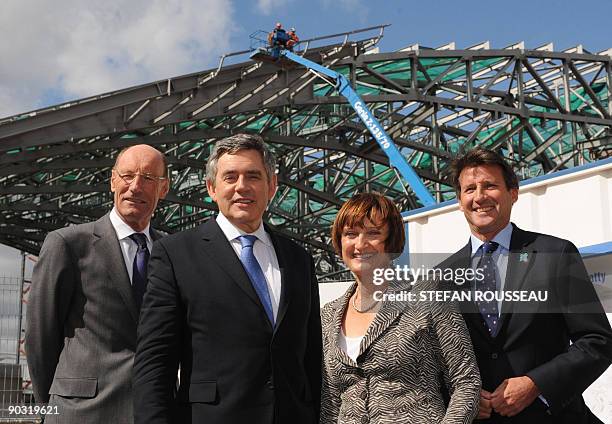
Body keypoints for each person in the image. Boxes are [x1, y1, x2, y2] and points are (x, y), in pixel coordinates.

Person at [133, 133, 322, 424]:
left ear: (272, 186)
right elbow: (156, 363)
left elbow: (310, 359)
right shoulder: (175, 254)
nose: (241, 187)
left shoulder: (299, 260)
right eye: (230, 177)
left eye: (253, 176)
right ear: (211, 187)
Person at [439, 147, 612, 423]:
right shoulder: (440, 277)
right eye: (469, 189)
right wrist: (459, 397)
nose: (479, 197)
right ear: (460, 200)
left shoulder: (555, 254)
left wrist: (537, 384)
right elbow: (431, 362)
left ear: (513, 193)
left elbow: (598, 341)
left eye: (490, 185)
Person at [25, 144, 169, 424]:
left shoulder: (171, 252)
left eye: (148, 178)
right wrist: (52, 407)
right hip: (80, 413)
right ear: (113, 181)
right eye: (127, 176)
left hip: (152, 412)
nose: (135, 187)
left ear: (163, 189)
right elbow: (40, 337)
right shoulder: (68, 244)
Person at [320, 192, 481, 423]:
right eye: (350, 234)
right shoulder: (328, 315)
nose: (360, 244)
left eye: (373, 233)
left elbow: (466, 382)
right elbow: (331, 403)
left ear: (391, 240)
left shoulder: (428, 296)